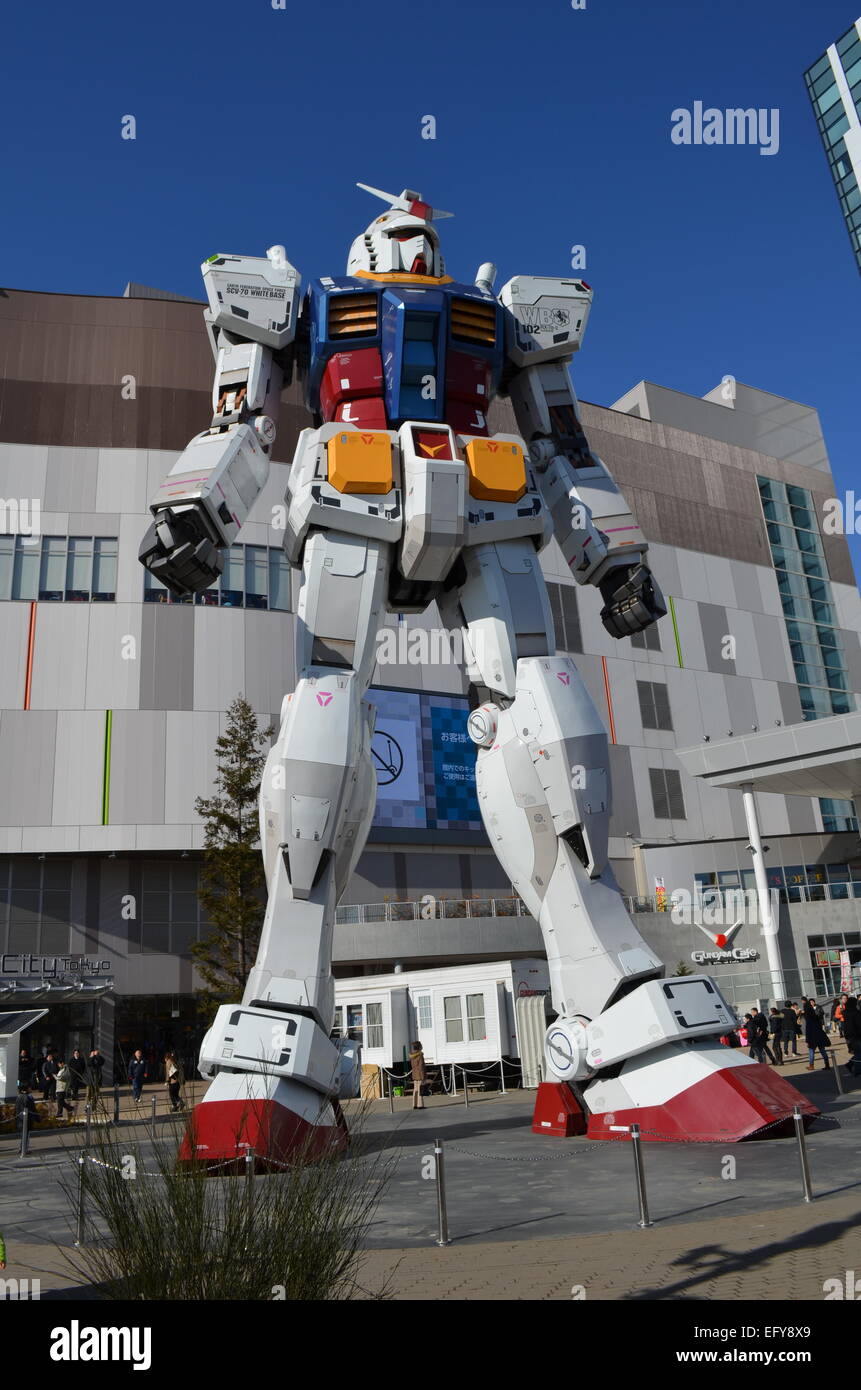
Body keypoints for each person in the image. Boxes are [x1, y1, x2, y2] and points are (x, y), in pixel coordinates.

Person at [804, 1000, 831, 1070]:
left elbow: (808, 1031)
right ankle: (827, 1064)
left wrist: (807, 1040)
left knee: (811, 1051)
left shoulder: (808, 1020)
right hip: (819, 1036)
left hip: (812, 1037)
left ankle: (811, 1065)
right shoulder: (816, 1017)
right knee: (822, 1050)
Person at [842, 996, 861, 1076]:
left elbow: (845, 1026)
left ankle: (850, 1064)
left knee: (858, 1053)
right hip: (857, 1036)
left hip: (850, 1036)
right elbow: (859, 1025)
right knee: (859, 1054)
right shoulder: (855, 1013)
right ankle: (857, 1071)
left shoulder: (846, 1013)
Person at [409, 1041, 427, 1110]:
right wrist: (423, 1077)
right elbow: (421, 1067)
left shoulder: (412, 1055)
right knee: (420, 1090)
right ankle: (420, 1105)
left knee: (415, 1090)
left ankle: (414, 1104)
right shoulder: (420, 1055)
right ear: (419, 1047)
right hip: (419, 1075)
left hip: (414, 1074)